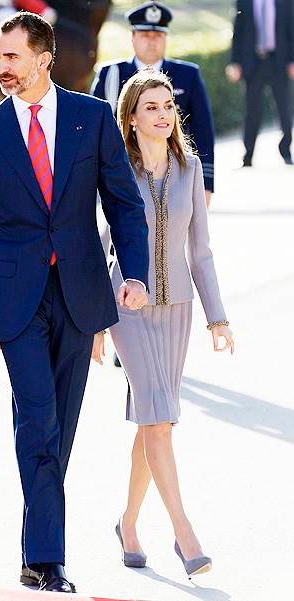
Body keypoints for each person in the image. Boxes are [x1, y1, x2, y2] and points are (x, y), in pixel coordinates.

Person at [0, 11, 149, 593]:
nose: (1, 67)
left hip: (80, 294)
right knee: (36, 418)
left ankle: (38, 538)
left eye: (12, 57)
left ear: (44, 57)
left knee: (58, 427)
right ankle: (44, 559)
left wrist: (133, 273)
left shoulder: (91, 119)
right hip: (13, 301)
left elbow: (123, 204)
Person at [92, 69, 234, 578]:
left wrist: (217, 315)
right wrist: (92, 323)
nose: (163, 114)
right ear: (130, 118)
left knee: (157, 421)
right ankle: (184, 533)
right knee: (156, 420)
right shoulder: (114, 170)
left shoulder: (190, 167)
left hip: (180, 312)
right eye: (151, 106)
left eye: (168, 105)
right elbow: (97, 246)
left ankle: (128, 523)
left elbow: (201, 251)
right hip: (126, 307)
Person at [91, 1, 215, 205]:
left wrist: (206, 182)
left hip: (176, 173)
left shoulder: (187, 75)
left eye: (157, 35)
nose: (151, 42)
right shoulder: (111, 75)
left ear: (166, 38)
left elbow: (203, 130)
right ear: (133, 38)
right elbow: (95, 129)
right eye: (145, 35)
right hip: (121, 174)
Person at [226, 0, 294, 166]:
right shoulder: (244, 2)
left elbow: (292, 29)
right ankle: (248, 155)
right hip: (253, 64)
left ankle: (286, 150)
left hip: (278, 63)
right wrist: (235, 62)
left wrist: (292, 60)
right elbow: (238, 31)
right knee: (252, 111)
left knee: (283, 109)